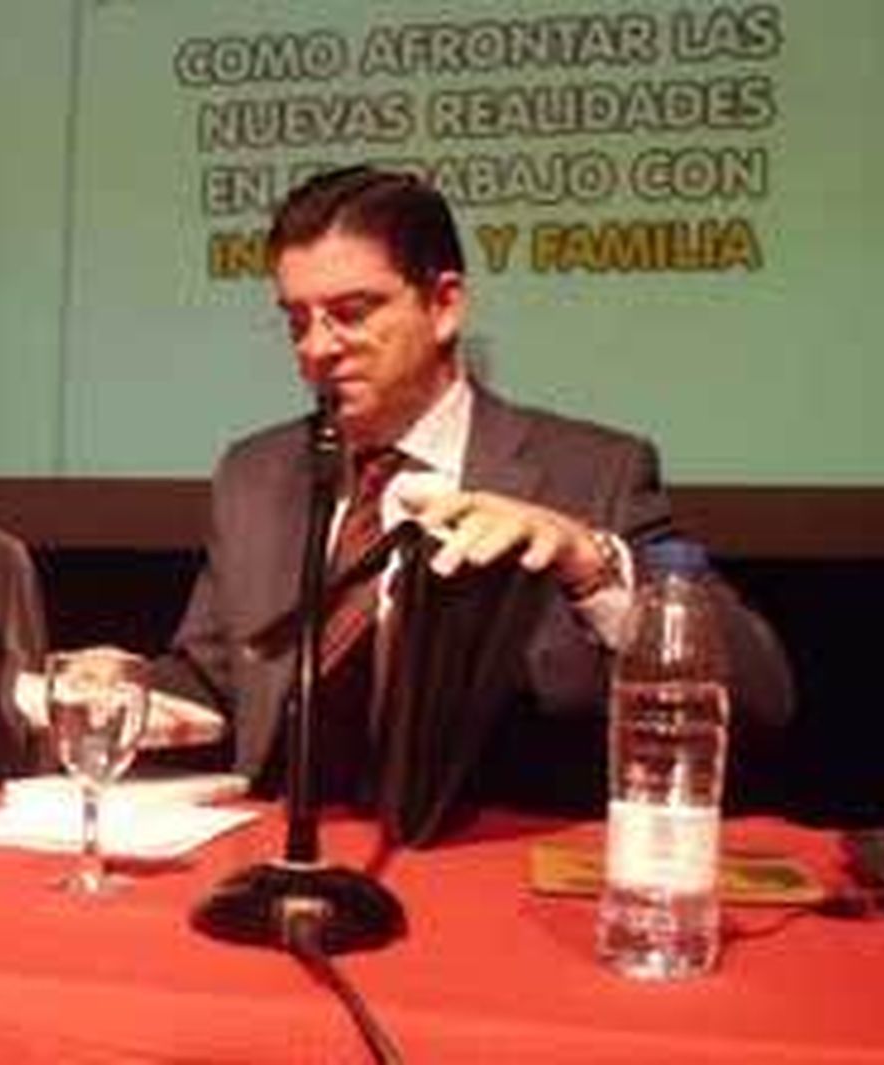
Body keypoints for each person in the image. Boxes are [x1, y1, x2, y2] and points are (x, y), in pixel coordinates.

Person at [151, 165, 794, 813]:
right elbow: (211, 680)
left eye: (350, 313)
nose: (317, 348)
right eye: (297, 320)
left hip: (486, 867)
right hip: (280, 857)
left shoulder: (593, 473)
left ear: (445, 305)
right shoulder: (255, 474)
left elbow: (764, 696)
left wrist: (593, 570)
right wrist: (120, 688)